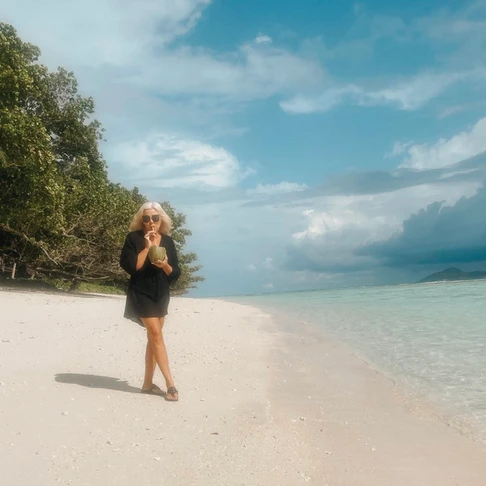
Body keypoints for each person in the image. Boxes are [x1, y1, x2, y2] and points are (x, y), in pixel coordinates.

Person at [119, 202, 181, 402]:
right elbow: (132, 267)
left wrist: (165, 265)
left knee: (153, 339)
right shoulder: (133, 239)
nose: (150, 222)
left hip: (161, 292)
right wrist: (147, 247)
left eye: (155, 218)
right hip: (141, 291)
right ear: (141, 220)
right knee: (156, 335)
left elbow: (175, 273)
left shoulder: (169, 242)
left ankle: (147, 384)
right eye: (146, 218)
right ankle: (170, 384)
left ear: (161, 219)